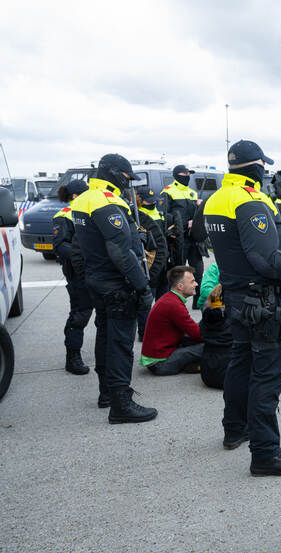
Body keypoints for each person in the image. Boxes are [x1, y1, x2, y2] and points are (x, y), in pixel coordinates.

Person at [204, 139, 281, 476]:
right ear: (258, 167)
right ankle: (265, 452)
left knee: (242, 364)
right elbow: (266, 258)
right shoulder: (249, 201)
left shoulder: (217, 198)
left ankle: (235, 428)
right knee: (266, 376)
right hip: (262, 301)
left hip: (236, 297)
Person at [72, 153, 157, 423]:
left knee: (105, 335)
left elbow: (92, 242)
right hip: (117, 283)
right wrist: (143, 288)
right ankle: (121, 403)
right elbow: (120, 252)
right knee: (120, 343)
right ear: (111, 173)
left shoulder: (84, 199)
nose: (126, 184)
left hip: (97, 279)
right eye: (125, 177)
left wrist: (135, 235)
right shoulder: (106, 202)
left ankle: (106, 392)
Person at [53, 179, 93, 375]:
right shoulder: (63, 216)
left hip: (96, 272)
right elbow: (60, 246)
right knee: (80, 314)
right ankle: (73, 357)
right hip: (77, 274)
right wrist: (85, 255)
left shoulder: (89, 211)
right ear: (76, 197)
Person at [139, 266, 204, 376]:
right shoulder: (174, 305)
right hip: (160, 363)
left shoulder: (170, 298)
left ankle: (190, 365)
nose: (196, 284)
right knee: (211, 345)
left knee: (204, 332)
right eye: (192, 281)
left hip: (161, 354)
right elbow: (197, 334)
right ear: (180, 286)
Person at [162, 164, 205, 307]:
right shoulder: (168, 192)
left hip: (194, 238)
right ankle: (175, 303)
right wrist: (186, 224)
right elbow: (166, 218)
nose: (187, 176)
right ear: (176, 175)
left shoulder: (193, 192)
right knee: (178, 272)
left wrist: (199, 207)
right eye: (184, 174)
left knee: (198, 270)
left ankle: (197, 302)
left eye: (189, 174)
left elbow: (195, 214)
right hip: (178, 239)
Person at [135, 186, 169, 341]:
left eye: (153, 201)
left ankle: (161, 327)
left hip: (165, 264)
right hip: (150, 264)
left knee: (163, 302)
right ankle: (144, 332)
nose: (152, 204)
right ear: (140, 201)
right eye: (148, 202)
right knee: (146, 302)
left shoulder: (159, 214)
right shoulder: (137, 216)